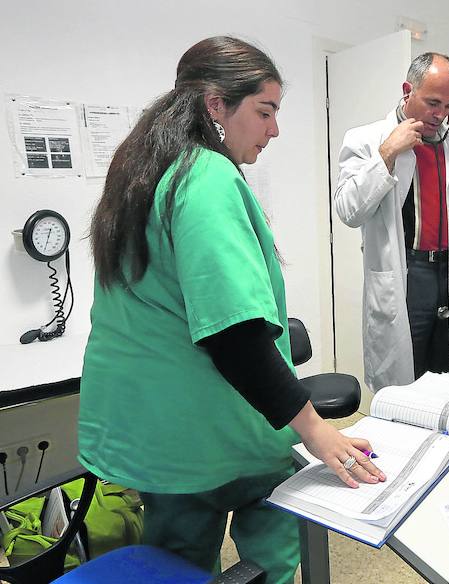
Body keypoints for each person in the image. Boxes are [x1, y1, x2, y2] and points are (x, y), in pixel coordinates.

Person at [79, 36, 384, 583]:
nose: (274, 130)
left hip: (154, 433)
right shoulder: (206, 177)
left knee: (176, 563)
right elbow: (234, 335)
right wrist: (315, 430)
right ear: (215, 105)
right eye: (264, 112)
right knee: (272, 552)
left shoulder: (144, 172)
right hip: (207, 430)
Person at [334, 52, 449, 392]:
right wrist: (387, 153)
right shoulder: (367, 139)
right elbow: (348, 210)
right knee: (406, 379)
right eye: (433, 102)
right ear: (407, 90)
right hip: (408, 273)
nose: (440, 115)